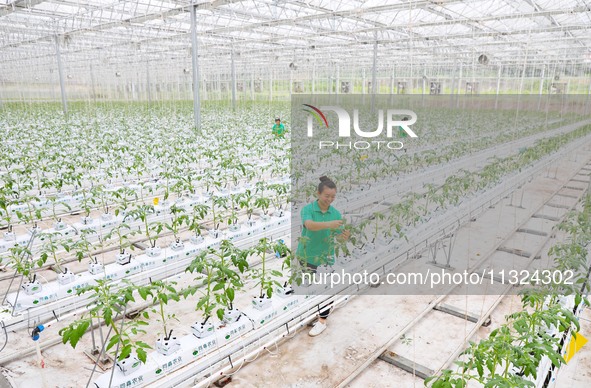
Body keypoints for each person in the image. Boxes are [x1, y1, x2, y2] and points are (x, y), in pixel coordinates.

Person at [296, 176, 350, 336]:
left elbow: (339, 236)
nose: (330, 199)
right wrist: (329, 224)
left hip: (325, 256)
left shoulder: (335, 213)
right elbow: (309, 225)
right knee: (311, 286)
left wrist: (344, 236)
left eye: (333, 196)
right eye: (327, 196)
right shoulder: (308, 209)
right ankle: (317, 312)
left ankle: (322, 321)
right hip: (306, 254)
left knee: (326, 288)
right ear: (318, 193)